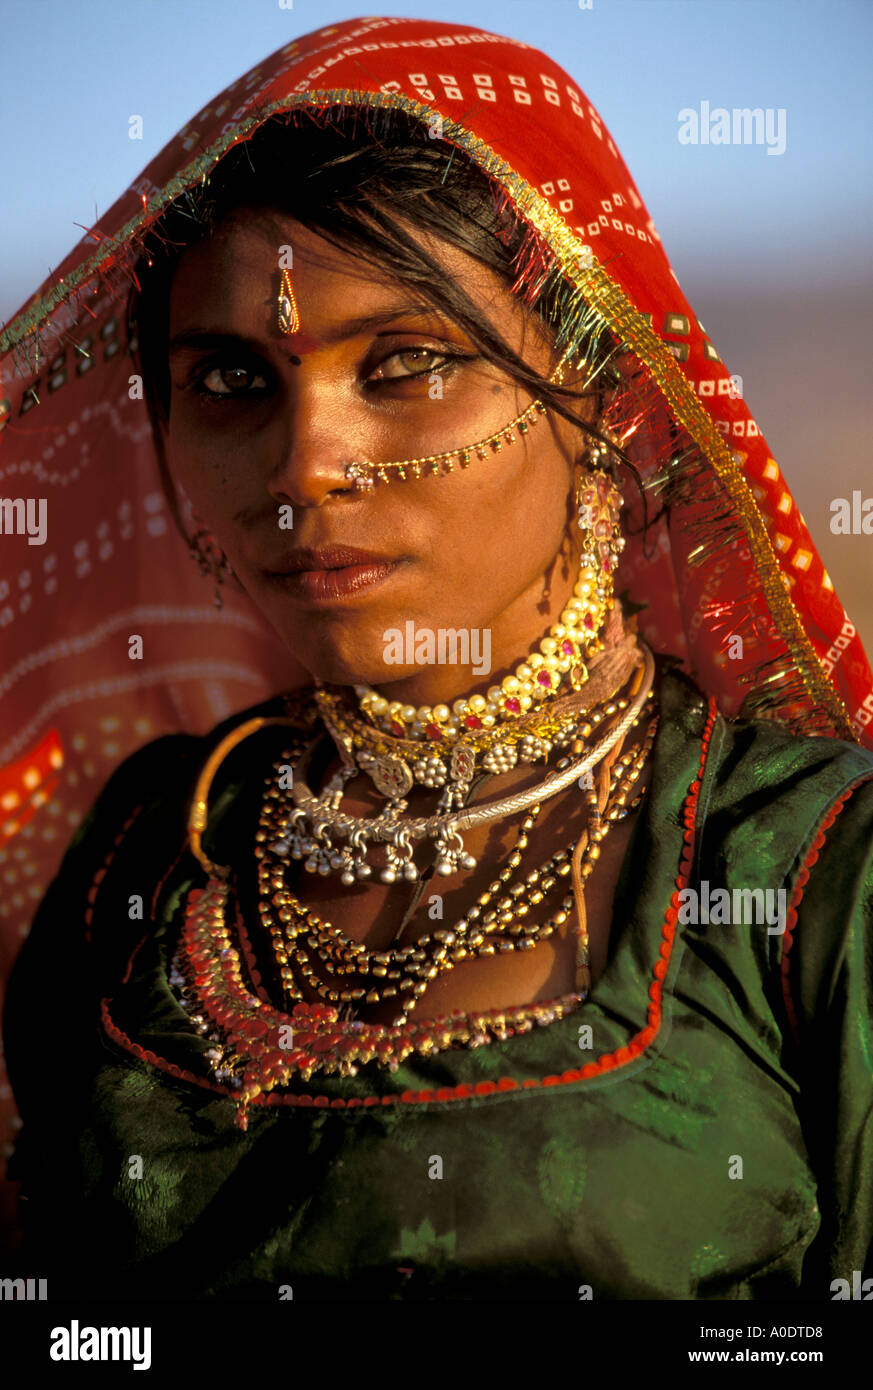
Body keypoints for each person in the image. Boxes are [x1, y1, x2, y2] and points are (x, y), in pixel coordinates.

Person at [1, 14, 872, 1301]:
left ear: (594, 400)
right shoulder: (146, 850)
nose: (307, 468)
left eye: (407, 365)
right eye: (235, 382)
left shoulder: (803, 880)